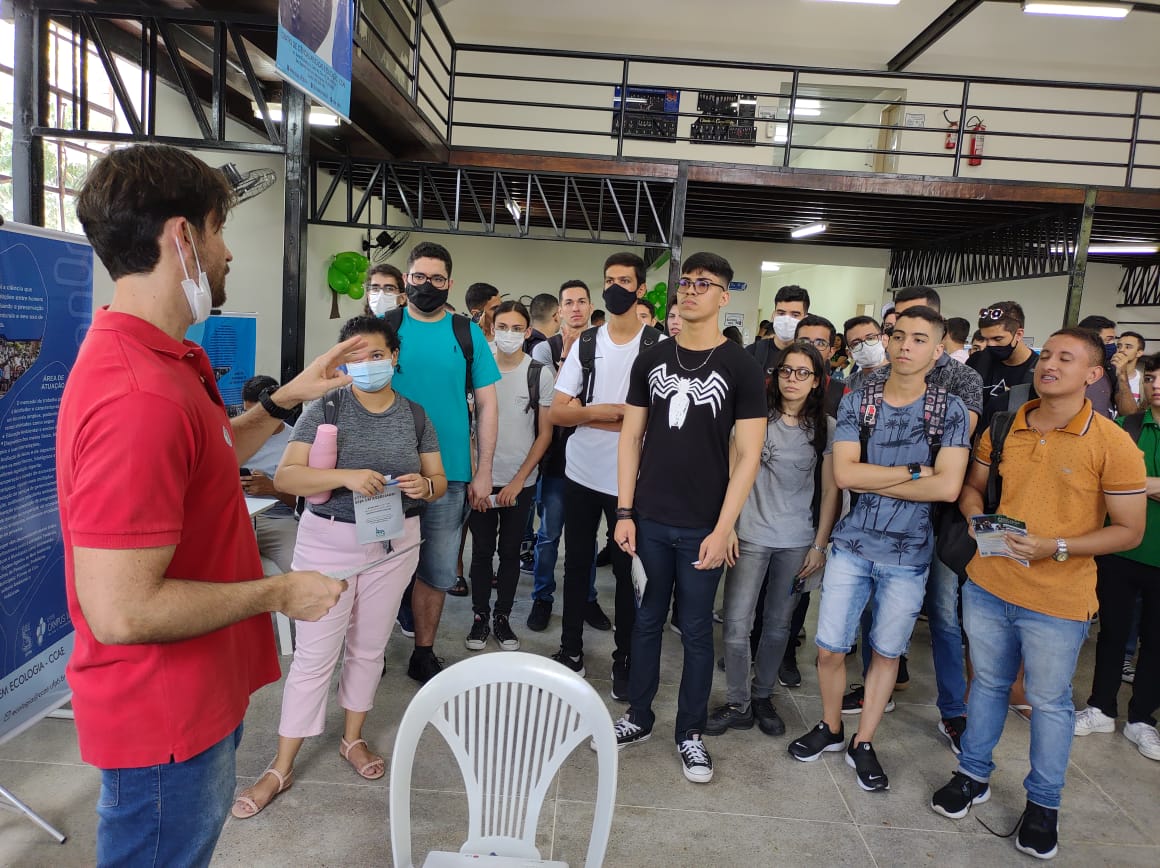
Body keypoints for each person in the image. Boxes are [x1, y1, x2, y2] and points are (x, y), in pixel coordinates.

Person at [59, 144, 350, 866]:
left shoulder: (163, 361)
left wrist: (284, 401)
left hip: (194, 700)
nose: (228, 254)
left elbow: (207, 450)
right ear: (183, 237)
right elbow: (123, 611)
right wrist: (280, 592)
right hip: (166, 717)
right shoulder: (139, 396)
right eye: (220, 231)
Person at [930, 328, 1146, 861]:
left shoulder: (1113, 443)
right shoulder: (1006, 425)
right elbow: (973, 487)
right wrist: (975, 516)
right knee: (988, 685)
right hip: (989, 582)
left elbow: (1129, 530)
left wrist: (1058, 546)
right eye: (1046, 354)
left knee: (1049, 702)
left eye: (1065, 358)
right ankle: (972, 773)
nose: (1049, 364)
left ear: (1092, 374)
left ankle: (1044, 803)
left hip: (1059, 598)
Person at [231, 315, 446, 819]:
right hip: (329, 545)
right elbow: (289, 476)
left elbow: (438, 480)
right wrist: (345, 476)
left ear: (394, 357)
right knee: (314, 656)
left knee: (369, 648)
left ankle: (352, 738)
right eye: (355, 357)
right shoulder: (325, 407)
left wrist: (424, 486)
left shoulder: (415, 415)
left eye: (377, 355)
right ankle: (282, 765)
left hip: (394, 544)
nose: (367, 365)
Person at [788, 306, 970, 792]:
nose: (906, 345)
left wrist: (880, 479)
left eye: (919, 339)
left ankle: (863, 740)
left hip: (910, 556)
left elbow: (948, 487)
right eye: (898, 335)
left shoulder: (948, 410)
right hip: (852, 546)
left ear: (938, 349)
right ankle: (831, 726)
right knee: (830, 649)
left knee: (886, 654)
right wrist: (914, 472)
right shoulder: (859, 401)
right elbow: (845, 474)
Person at [613, 252, 766, 783]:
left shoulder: (742, 367)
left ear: (724, 296)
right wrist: (625, 511)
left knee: (697, 631)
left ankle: (690, 733)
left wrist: (724, 529)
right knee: (646, 620)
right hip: (650, 519)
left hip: (704, 525)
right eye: (687, 282)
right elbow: (631, 437)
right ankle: (639, 714)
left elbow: (749, 455)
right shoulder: (651, 358)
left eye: (705, 283)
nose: (692, 290)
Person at [707, 342, 838, 741]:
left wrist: (819, 545)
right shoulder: (753, 419)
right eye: (786, 371)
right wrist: (727, 527)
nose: (792, 379)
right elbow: (731, 476)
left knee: (779, 626)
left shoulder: (826, 428)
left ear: (816, 381)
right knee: (736, 624)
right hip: (748, 536)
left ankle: (763, 696)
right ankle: (738, 703)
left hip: (796, 541)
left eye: (803, 373)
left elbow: (831, 493)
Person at [548, 252, 661, 694]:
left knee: (628, 573)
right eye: (609, 280)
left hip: (632, 481)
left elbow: (660, 421)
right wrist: (608, 413)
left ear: (640, 289)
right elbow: (558, 412)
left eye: (625, 281)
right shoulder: (587, 343)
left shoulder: (658, 347)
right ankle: (570, 649)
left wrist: (589, 412)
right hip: (581, 472)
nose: (616, 288)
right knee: (576, 565)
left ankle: (624, 658)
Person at [389, 242, 502, 683]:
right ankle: (371, 650)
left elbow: (487, 406)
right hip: (386, 474)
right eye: (419, 276)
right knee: (378, 568)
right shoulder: (385, 328)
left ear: (450, 283)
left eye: (437, 279)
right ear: (407, 278)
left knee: (436, 570)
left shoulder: (466, 333)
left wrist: (484, 470)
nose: (427, 285)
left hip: (449, 474)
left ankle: (423, 650)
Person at [1073, 352, 1160, 762]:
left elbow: (1124, 482)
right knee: (1111, 634)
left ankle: (1142, 718)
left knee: (1156, 641)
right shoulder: (1126, 426)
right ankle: (1101, 707)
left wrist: (1134, 483)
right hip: (1120, 548)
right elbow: (1104, 479)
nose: (1156, 385)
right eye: (1152, 378)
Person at [465, 301, 554, 652]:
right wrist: (476, 476)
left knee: (509, 552)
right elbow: (468, 425)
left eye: (517, 328)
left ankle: (502, 617)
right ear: (492, 328)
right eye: (503, 327)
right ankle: (479, 616)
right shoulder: (476, 367)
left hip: (520, 482)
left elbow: (544, 434)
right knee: (481, 552)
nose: (509, 334)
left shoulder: (539, 373)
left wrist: (519, 481)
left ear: (528, 332)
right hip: (481, 480)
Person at [527, 280, 609, 633]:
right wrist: (567, 358)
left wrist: (582, 410)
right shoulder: (545, 350)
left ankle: (587, 598)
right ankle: (542, 597)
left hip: (594, 461)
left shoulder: (604, 346)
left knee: (587, 538)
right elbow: (555, 404)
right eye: (569, 302)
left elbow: (601, 401)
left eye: (581, 301)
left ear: (590, 306)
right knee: (548, 535)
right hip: (556, 460)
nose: (575, 308)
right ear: (559, 310)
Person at [240, 375, 299, 574]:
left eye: (258, 414)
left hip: (279, 520)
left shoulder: (296, 442)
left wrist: (273, 489)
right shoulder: (235, 436)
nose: (251, 420)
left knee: (299, 569)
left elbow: (307, 503)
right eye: (247, 413)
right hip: (240, 518)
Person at [969, 301, 1039, 430]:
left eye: (997, 339)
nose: (990, 345)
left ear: (1018, 334)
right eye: (985, 339)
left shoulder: (1038, 371)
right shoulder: (976, 361)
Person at [749, 285, 810, 373]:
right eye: (781, 313)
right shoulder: (753, 352)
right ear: (773, 315)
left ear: (805, 320)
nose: (786, 321)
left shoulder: (813, 357)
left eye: (795, 315)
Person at [1078, 314, 1119, 419]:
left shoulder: (1109, 369)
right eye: (1108, 340)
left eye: (1113, 340)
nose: (1113, 345)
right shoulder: (1074, 372)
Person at [1112, 330, 1147, 415]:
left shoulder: (1145, 382)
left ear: (1139, 353)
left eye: (1128, 347)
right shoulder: (1105, 375)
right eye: (1119, 346)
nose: (1121, 350)